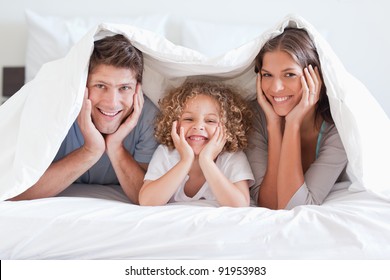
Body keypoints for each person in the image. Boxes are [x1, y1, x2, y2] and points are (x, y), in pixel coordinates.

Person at [10, 34, 159, 204]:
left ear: (137, 90)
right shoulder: (55, 110)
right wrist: (90, 151)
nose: (112, 103)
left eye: (124, 87)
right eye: (100, 86)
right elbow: (16, 190)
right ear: (82, 84)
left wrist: (116, 147)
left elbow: (147, 197)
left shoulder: (148, 117)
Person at [246, 28, 350, 210]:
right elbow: (269, 204)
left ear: (315, 79)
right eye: (267, 75)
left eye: (290, 74)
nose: (276, 88)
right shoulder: (256, 116)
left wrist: (293, 124)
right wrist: (274, 125)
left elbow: (296, 206)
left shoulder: (337, 127)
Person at [139, 80, 254, 207]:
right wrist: (185, 160)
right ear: (175, 124)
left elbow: (240, 205)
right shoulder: (166, 153)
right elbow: (147, 201)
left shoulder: (231, 156)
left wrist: (207, 161)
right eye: (188, 119)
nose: (198, 126)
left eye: (210, 121)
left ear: (227, 128)